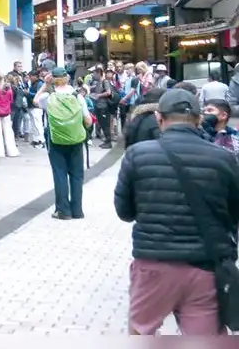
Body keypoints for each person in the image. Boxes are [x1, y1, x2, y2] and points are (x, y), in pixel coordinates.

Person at [114, 89, 239, 335]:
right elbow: (233, 213)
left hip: (153, 264)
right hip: (204, 267)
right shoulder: (224, 158)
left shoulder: (137, 155)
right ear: (198, 119)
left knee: (142, 333)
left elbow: (124, 211)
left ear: (159, 118)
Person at [35, 67, 92, 220]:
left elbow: (35, 101)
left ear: (52, 79)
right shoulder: (77, 96)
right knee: (77, 176)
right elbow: (88, 120)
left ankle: (63, 211)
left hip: (56, 141)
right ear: (67, 78)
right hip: (76, 141)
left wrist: (44, 86)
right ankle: (77, 210)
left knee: (60, 174)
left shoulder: (49, 97)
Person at [0, 75, 18, 158]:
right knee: (8, 132)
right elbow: (11, 100)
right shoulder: (9, 90)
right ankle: (12, 151)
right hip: (7, 112)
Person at [88, 65, 114, 149]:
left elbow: (108, 92)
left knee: (105, 125)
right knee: (102, 124)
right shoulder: (98, 82)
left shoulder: (105, 82)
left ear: (99, 73)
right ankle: (106, 141)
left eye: (95, 74)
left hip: (104, 107)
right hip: (99, 106)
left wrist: (98, 95)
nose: (93, 75)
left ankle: (108, 141)